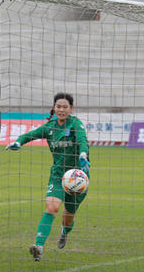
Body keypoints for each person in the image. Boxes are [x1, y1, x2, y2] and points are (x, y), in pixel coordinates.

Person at [6, 92, 90, 261]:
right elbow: (31, 134)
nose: (61, 110)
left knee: (68, 217)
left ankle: (65, 232)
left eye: (65, 107)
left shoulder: (75, 124)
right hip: (58, 175)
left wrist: (83, 154)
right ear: (54, 108)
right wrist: (18, 142)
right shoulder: (49, 127)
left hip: (78, 177)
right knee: (52, 208)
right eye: (58, 106)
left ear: (70, 109)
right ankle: (39, 246)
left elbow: (82, 140)